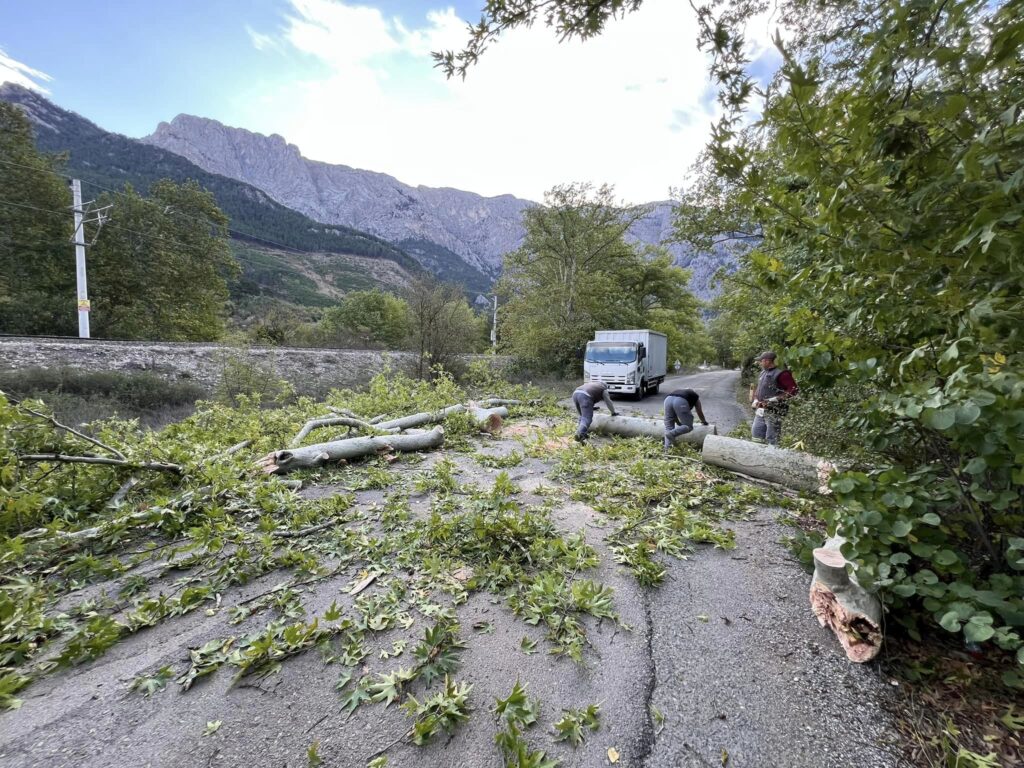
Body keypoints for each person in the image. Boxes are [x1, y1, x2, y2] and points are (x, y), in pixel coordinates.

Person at [749, 351, 798, 446]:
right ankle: (758, 456)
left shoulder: (781, 374)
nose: (760, 363)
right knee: (756, 435)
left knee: (772, 438)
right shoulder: (763, 373)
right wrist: (755, 399)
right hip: (760, 410)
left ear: (767, 361)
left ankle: (773, 458)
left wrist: (773, 400)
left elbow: (793, 390)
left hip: (774, 411)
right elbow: (759, 389)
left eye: (761, 361)